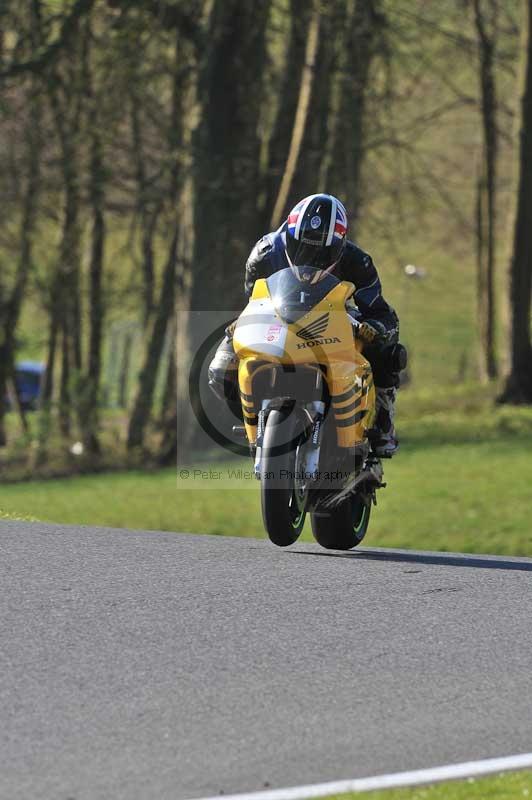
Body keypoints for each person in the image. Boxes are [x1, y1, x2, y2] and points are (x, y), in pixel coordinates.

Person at [209, 193, 406, 457]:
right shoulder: (265, 253)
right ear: (290, 235)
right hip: (276, 322)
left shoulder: (357, 262)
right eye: (303, 247)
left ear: (339, 245)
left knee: (389, 352)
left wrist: (375, 327)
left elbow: (381, 312)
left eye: (320, 252)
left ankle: (383, 420)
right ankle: (252, 421)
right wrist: (240, 322)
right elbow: (249, 301)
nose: (310, 257)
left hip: (335, 325)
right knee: (219, 369)